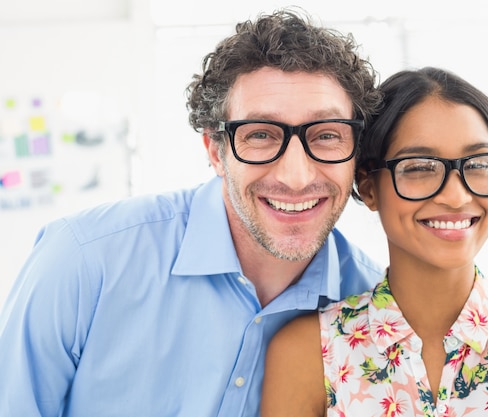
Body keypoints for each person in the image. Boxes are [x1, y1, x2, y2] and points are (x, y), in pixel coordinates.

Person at [0, 9, 384, 417]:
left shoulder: (377, 313)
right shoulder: (83, 262)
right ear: (215, 151)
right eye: (259, 135)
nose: (295, 176)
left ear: (356, 154)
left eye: (326, 135)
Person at [261, 67, 488, 416]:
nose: (457, 197)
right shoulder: (309, 350)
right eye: (419, 168)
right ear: (368, 187)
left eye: (479, 164)